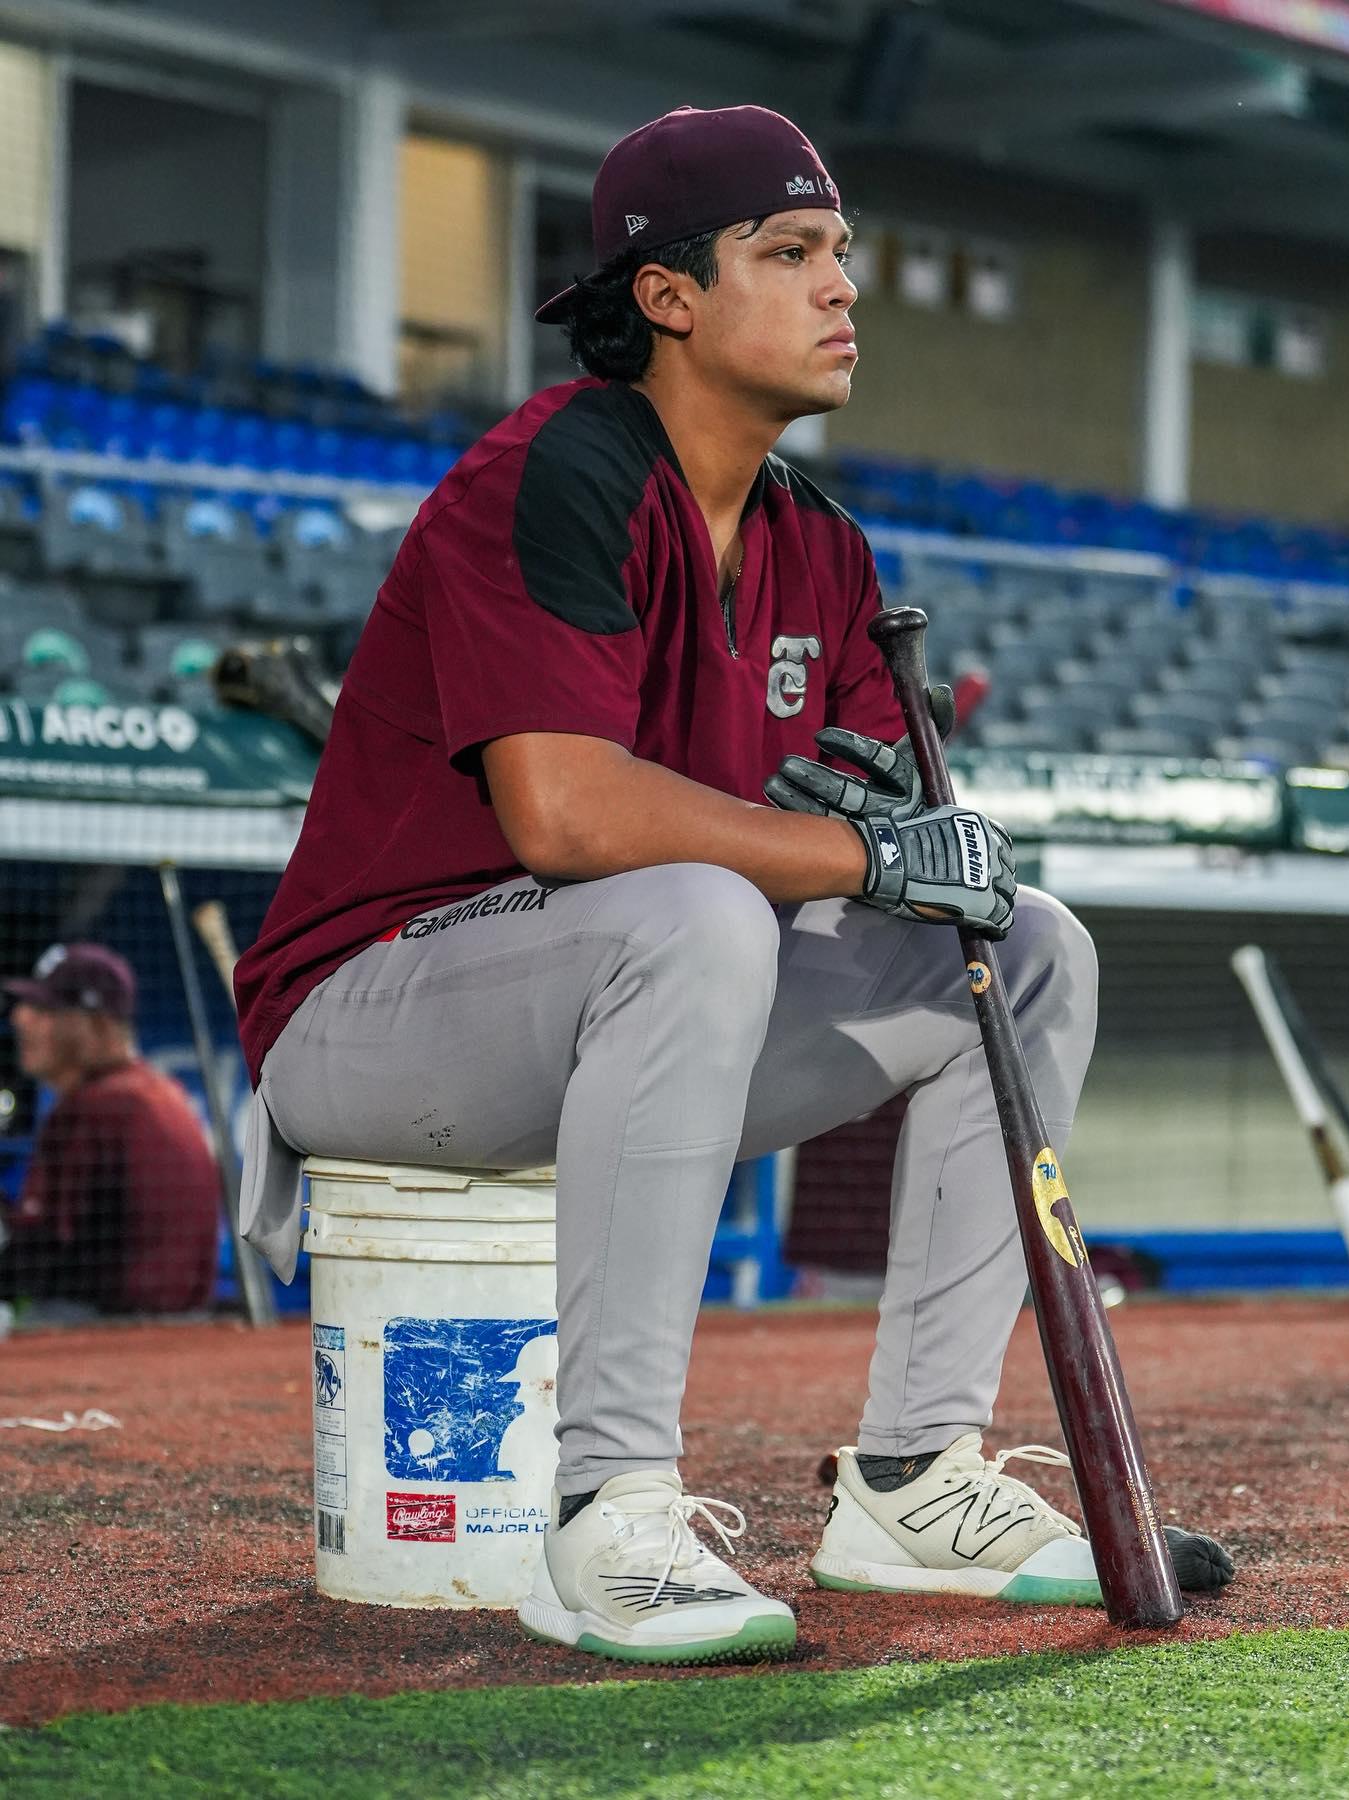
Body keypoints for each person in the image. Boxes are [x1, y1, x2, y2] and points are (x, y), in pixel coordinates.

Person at [234, 104, 1100, 1666]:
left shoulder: (819, 545)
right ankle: (607, 1513)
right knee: (695, 908)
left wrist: (894, 837)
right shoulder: (551, 474)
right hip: (371, 1010)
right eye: (790, 253)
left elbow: (825, 832)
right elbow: (563, 813)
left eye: (841, 253)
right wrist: (855, 850)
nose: (842, 288)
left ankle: (912, 1476)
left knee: (1028, 945)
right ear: (668, 296)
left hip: (631, 1010)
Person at [2, 943, 220, 1313]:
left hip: (114, 1330)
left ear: (94, 1024)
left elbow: (40, 1247)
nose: (21, 1018)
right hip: (181, 1325)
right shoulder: (159, 1091)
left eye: (44, 1010)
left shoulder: (98, 1105)